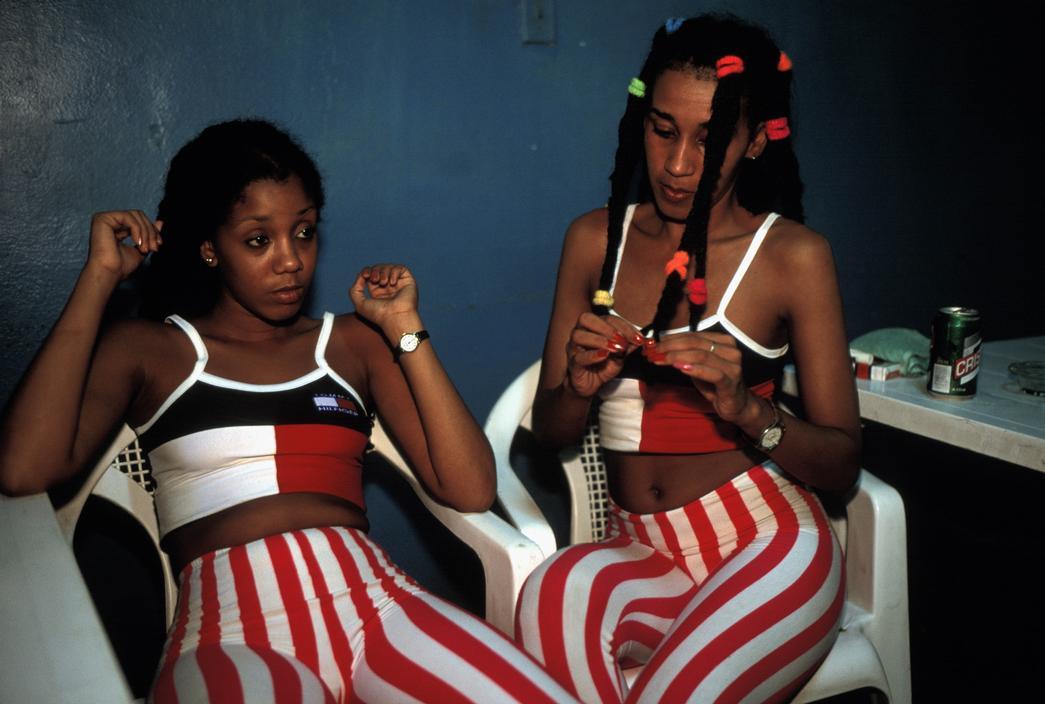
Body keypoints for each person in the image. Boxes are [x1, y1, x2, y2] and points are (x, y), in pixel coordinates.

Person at [0, 119, 578, 704]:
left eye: (304, 232)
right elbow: (23, 470)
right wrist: (97, 280)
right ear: (208, 247)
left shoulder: (354, 344)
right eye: (259, 240)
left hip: (377, 608)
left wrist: (406, 329)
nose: (291, 261)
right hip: (229, 637)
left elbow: (471, 487)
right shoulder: (150, 351)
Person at [514, 14, 860, 704]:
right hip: (640, 548)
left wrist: (745, 408)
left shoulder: (793, 257)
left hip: (768, 546)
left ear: (757, 140)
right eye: (662, 129)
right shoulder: (592, 242)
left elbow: (841, 465)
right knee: (548, 597)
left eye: (709, 138)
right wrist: (578, 388)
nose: (677, 165)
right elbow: (550, 434)